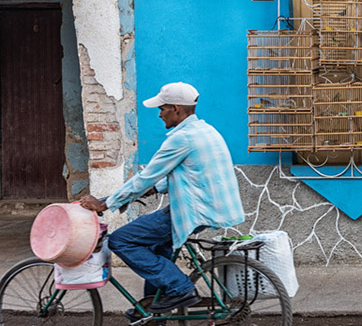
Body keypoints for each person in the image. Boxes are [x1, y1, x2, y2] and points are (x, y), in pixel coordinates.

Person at [80, 81, 244, 313]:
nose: (159, 114)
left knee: (121, 240)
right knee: (155, 245)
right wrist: (152, 189)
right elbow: (184, 174)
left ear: (176, 108)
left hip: (195, 210)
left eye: (162, 108)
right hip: (210, 207)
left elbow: (146, 176)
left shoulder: (181, 138)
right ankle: (154, 310)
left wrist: (105, 203)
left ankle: (180, 289)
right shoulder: (205, 130)